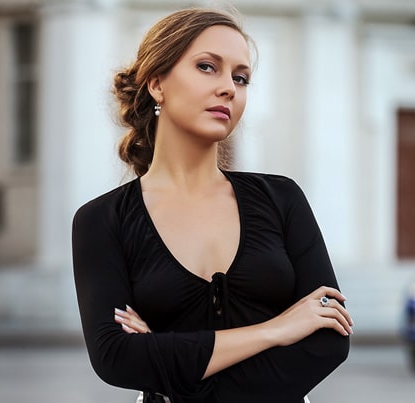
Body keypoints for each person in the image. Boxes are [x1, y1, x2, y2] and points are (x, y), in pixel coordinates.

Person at [71, 7, 352, 403]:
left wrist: (169, 362)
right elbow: (115, 357)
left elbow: (329, 339)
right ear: (157, 83)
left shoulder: (282, 199)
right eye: (207, 67)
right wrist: (276, 329)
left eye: (241, 77)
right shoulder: (102, 220)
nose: (229, 88)